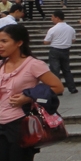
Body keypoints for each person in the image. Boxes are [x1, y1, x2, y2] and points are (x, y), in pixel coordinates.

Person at [0, 24, 64, 161]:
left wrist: (28, 98)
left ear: (19, 42)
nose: (0, 45)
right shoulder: (1, 64)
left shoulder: (33, 64)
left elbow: (57, 87)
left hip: (20, 123)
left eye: (4, 41)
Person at [43, 10, 78, 94]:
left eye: (52, 17)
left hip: (55, 50)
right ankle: (72, 88)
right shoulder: (70, 28)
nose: (51, 19)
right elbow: (73, 40)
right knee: (66, 70)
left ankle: (58, 90)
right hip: (66, 50)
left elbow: (46, 41)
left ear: (57, 18)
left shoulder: (53, 29)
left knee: (55, 71)